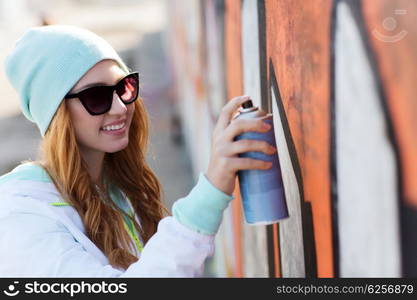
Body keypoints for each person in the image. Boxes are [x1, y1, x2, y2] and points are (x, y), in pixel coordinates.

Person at [0, 25, 276, 277]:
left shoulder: (116, 189)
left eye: (124, 87)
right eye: (96, 96)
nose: (120, 107)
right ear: (57, 114)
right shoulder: (21, 216)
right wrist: (211, 190)